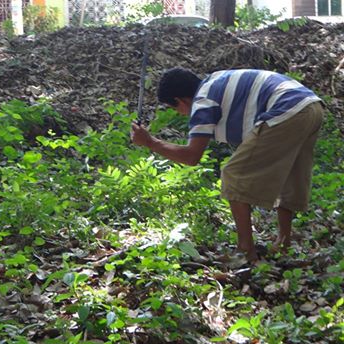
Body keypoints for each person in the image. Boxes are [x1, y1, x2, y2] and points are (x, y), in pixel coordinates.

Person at [131, 68, 323, 262]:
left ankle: (245, 251)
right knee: (288, 171)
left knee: (233, 175)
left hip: (287, 110)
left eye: (175, 109)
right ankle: (284, 243)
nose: (180, 114)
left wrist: (150, 142)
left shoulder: (202, 101)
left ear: (180, 100)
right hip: (311, 106)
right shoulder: (214, 82)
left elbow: (191, 156)